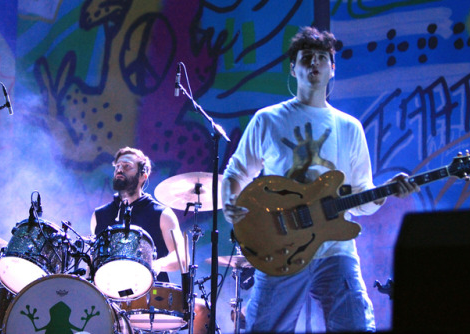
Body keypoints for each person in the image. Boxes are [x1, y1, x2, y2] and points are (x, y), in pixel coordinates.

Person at [221, 26, 419, 332]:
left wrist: (384, 193)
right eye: (307, 58)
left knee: (356, 327)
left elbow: (362, 195)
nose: (315, 63)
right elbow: (236, 171)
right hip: (281, 247)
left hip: (335, 249)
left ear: (332, 69)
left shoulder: (349, 127)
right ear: (294, 67)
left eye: (322, 58)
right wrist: (229, 201)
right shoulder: (268, 119)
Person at [91, 146, 186, 283]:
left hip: (152, 295)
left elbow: (181, 257)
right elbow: (93, 262)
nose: (120, 170)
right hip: (107, 295)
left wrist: (157, 265)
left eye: (127, 166)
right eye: (117, 166)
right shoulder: (99, 215)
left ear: (143, 175)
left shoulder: (162, 214)